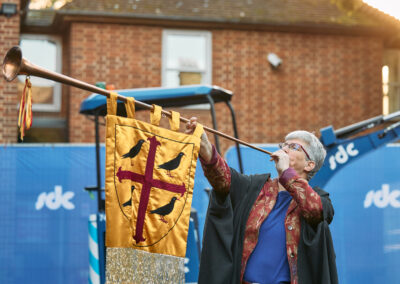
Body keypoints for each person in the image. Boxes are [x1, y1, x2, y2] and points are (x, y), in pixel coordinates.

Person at [185, 117, 338, 284]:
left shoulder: (319, 199)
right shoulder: (254, 187)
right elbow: (222, 177)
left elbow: (315, 210)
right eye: (283, 145)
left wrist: (287, 173)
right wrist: (204, 145)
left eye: (294, 147)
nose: (285, 149)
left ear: (309, 165)